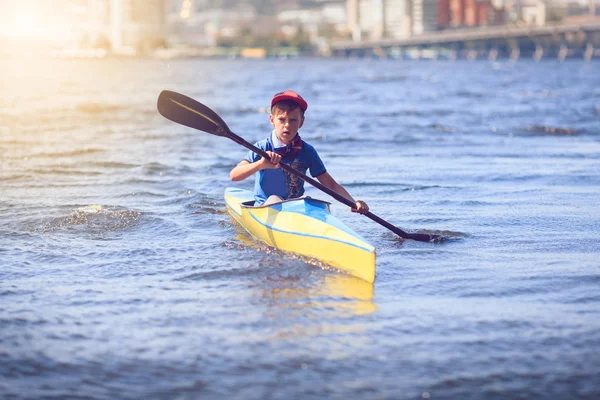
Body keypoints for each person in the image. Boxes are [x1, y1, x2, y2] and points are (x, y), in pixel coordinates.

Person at [230, 90, 369, 214]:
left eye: (293, 120)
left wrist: (353, 202)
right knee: (274, 199)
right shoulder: (262, 147)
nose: (287, 125)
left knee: (312, 203)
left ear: (301, 122)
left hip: (294, 208)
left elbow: (330, 184)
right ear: (272, 120)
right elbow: (234, 175)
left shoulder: (307, 151)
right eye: (282, 119)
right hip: (266, 208)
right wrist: (260, 164)